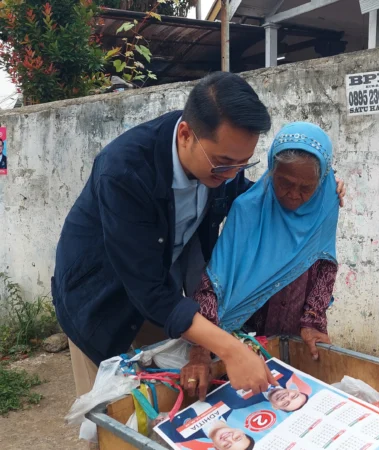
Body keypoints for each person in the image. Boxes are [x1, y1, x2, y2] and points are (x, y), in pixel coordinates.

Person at [53, 72, 288, 402]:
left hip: (159, 291)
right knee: (111, 414)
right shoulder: (124, 171)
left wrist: (317, 194)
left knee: (167, 401)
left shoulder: (221, 170)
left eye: (241, 165)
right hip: (97, 301)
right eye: (223, 165)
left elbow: (250, 203)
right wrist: (232, 350)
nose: (231, 176)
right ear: (185, 135)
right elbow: (149, 291)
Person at [182, 122, 339, 399]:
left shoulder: (325, 205)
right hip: (242, 336)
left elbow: (324, 263)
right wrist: (201, 349)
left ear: (323, 180)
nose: (293, 194)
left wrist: (313, 321)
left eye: (306, 188)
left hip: (294, 333)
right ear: (271, 170)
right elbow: (214, 282)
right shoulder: (247, 209)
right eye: (284, 183)